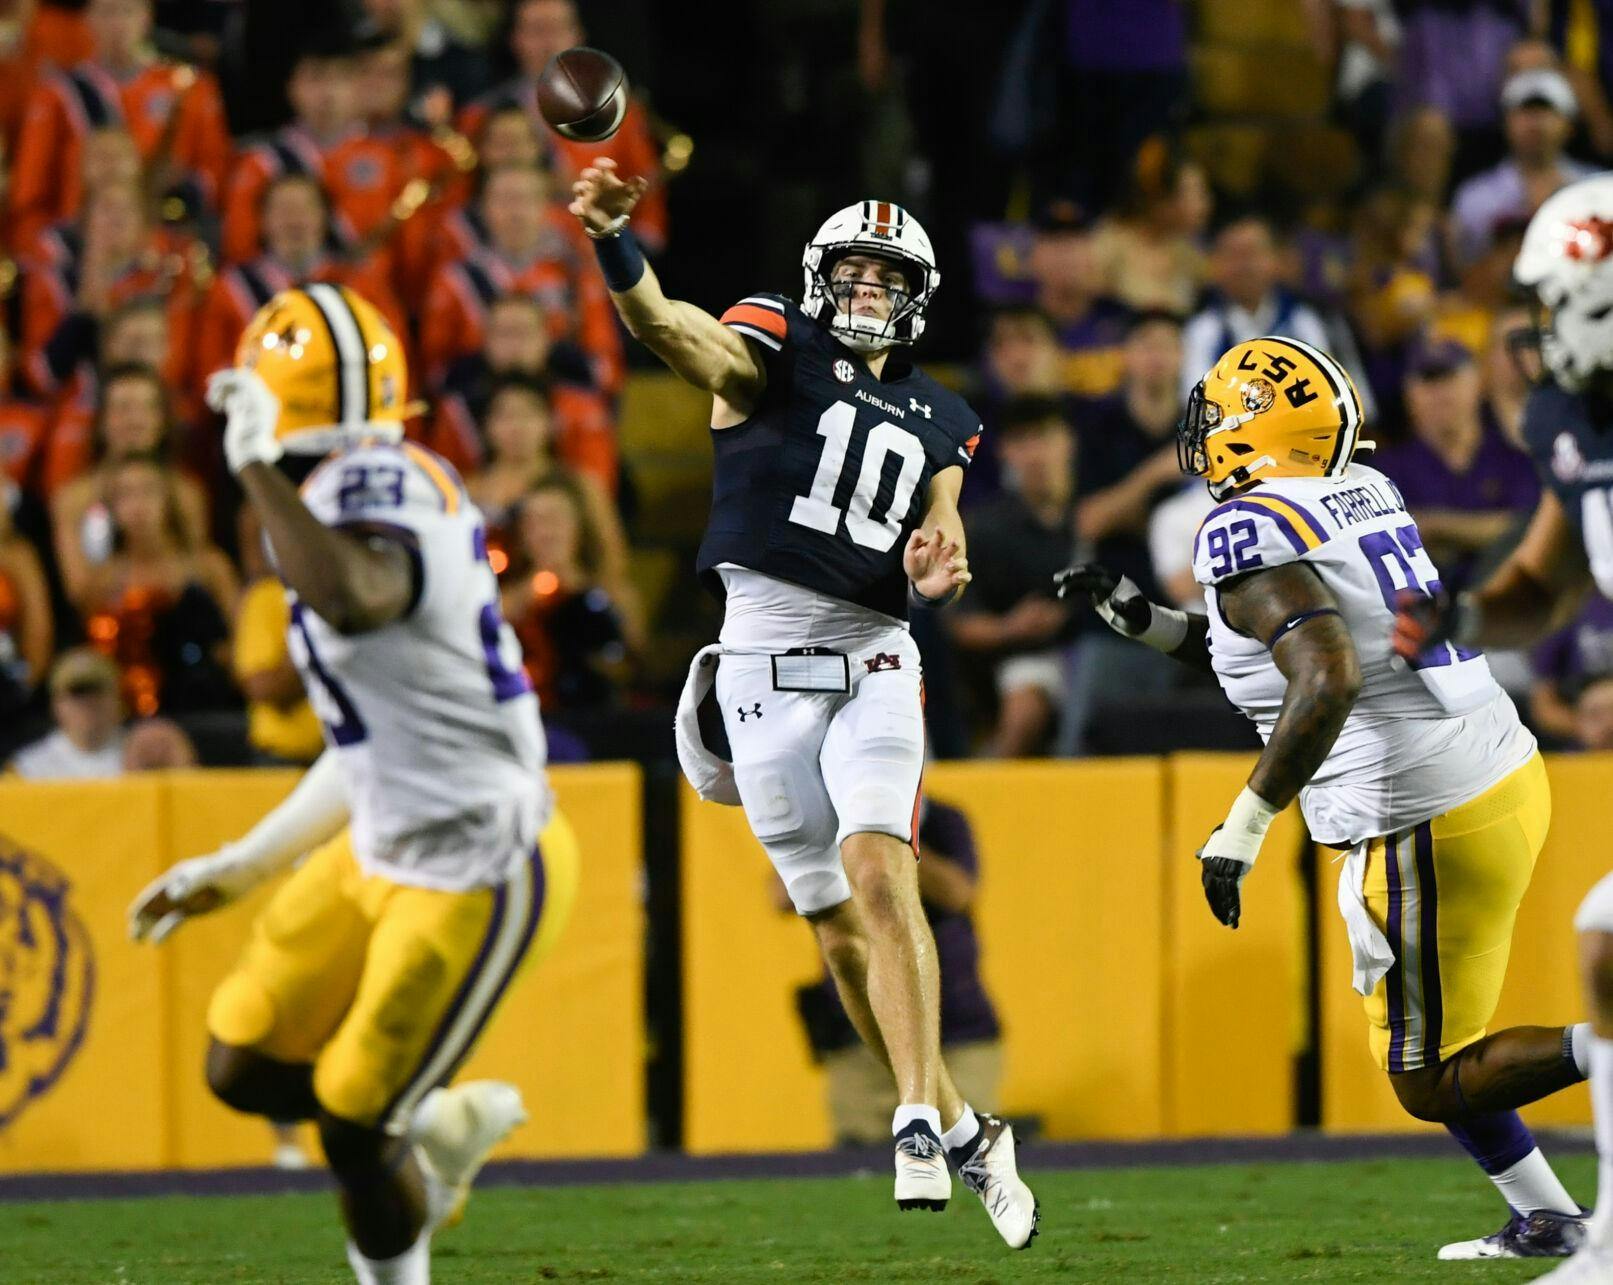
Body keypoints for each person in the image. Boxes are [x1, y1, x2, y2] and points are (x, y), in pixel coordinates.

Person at [572, 166, 1036, 1246]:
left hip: (873, 652)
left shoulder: (943, 416)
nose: (867, 283)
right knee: (834, 932)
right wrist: (613, 247)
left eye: (886, 272)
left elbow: (941, 532)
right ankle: (969, 1129)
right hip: (760, 662)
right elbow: (672, 334)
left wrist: (937, 567)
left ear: (914, 292)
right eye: (853, 267)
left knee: (883, 869)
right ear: (820, 278)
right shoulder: (773, 348)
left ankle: (917, 1119)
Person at [1065, 333, 1593, 1262]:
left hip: (1425, 801)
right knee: (1437, 1043)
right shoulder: (1354, 491)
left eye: (1218, 415)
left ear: (1250, 429)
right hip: (1492, 767)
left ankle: (1606, 1050)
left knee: (1426, 1076)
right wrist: (1145, 623)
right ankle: (1546, 1215)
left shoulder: (1244, 526)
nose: (1205, 433)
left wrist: (1244, 822)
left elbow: (1324, 676)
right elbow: (1272, 648)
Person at [127, 283, 580, 1285]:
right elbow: (367, 739)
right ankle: (427, 1127)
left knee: (349, 1128)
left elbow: (362, 595)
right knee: (240, 1063)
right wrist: (245, 863)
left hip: (480, 859)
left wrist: (251, 464)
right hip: (379, 839)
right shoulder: (328, 501)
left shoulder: (382, 481)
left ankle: (402, 1183)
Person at [1393, 175, 1613, 1279]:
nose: (1530, 328)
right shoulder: (1564, 418)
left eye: (1550, 297)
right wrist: (1462, 613)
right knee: (1606, 942)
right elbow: (1542, 582)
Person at [788, 796, 1002, 1146]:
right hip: (863, 1032)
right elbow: (782, 894)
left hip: (955, 1027)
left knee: (967, 1146)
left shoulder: (943, 821)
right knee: (861, 1151)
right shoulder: (828, 817)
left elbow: (957, 892)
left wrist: (891, 840)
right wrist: (843, 835)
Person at [8, 0, 230, 245]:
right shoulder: (58, 95)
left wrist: (185, 188)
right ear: (87, 20)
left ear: (147, 18)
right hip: (79, 242)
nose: (118, 24)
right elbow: (30, 192)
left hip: (162, 239)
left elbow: (216, 171)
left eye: (127, 11)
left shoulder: (188, 87)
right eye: (107, 12)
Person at [946, 398, 1079, 758]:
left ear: (1068, 441)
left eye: (1045, 437)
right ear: (1006, 452)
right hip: (1025, 657)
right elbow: (959, 622)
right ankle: (990, 789)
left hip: (1099, 649)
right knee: (1026, 703)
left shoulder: (1092, 514)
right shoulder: (986, 527)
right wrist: (1011, 627)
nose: (1036, 454)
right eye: (1023, 442)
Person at [76, 454, 238, 716]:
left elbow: (240, 642)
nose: (138, 505)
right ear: (111, 508)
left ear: (169, 499)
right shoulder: (102, 581)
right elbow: (94, 662)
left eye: (148, 491)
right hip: (129, 716)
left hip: (211, 710)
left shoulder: (209, 567)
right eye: (125, 494)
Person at [1374, 339, 1538, 592]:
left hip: (1513, 604)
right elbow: (1388, 547)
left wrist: (1436, 526)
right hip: (1427, 610)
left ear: (1479, 382)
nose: (1440, 392)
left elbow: (1528, 529)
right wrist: (1485, 531)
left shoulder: (1514, 459)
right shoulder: (1384, 472)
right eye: (1428, 380)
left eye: (1450, 377)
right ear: (1408, 393)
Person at [499, 474, 628, 711]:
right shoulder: (501, 600)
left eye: (554, 519)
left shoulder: (606, 595)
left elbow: (624, 668)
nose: (544, 532)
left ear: (580, 526)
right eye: (533, 522)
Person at [1180, 214, 1333, 404]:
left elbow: (1326, 393)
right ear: (1215, 263)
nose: (1245, 266)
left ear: (1277, 259)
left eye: (1253, 253)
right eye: (1233, 255)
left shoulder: (1303, 321)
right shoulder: (1202, 330)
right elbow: (1197, 405)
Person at [1450, 68, 1594, 270]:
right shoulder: (1474, 197)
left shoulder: (1597, 189)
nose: (1536, 124)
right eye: (1526, 112)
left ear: (1570, 125)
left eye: (1546, 111)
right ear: (1506, 123)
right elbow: (1464, 270)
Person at [7, 646, 192, 776]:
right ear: (57, 704)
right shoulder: (30, 768)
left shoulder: (146, 754)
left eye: (98, 691)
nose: (88, 704)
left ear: (118, 700)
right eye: (78, 692)